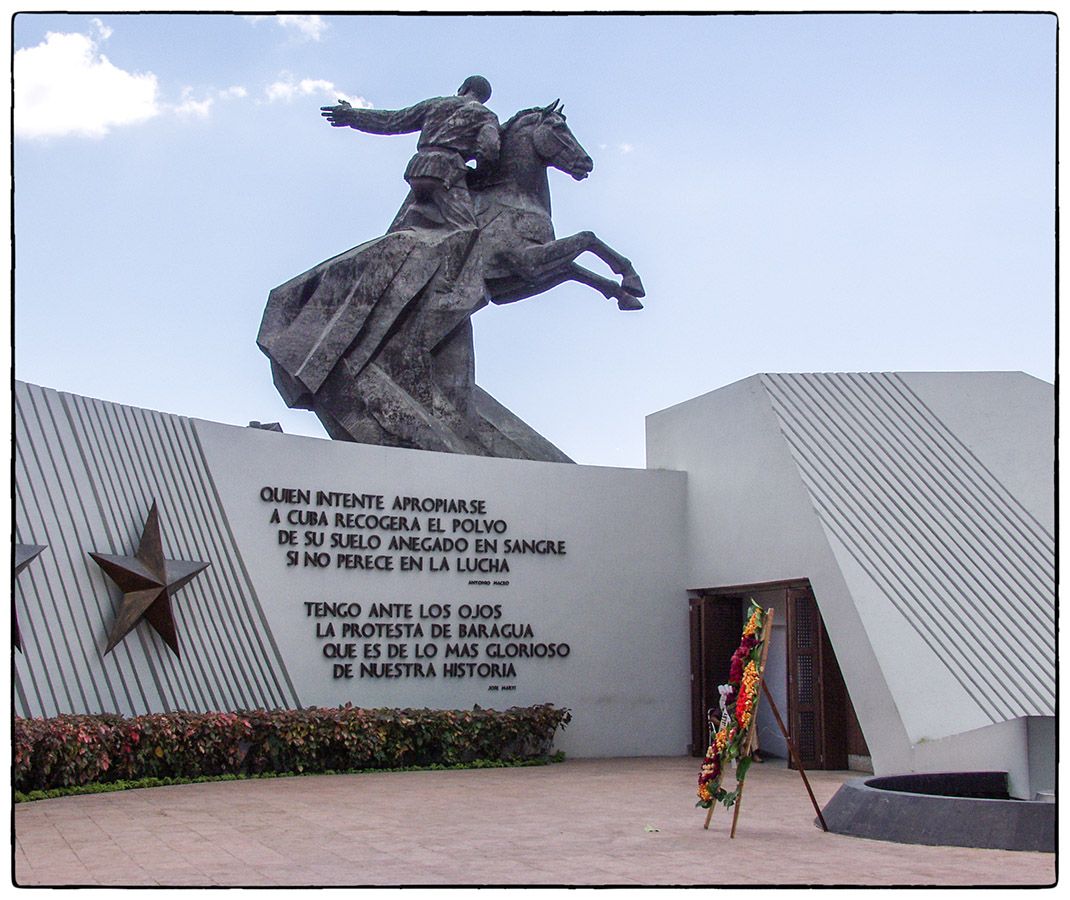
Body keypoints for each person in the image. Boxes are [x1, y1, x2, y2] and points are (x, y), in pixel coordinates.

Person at [321, 75, 500, 233]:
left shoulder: (437, 104)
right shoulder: (486, 116)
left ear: (463, 89)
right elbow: (489, 150)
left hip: (419, 169)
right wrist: (481, 175)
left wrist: (353, 116)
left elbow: (391, 121)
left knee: (396, 232)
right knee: (466, 231)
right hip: (447, 174)